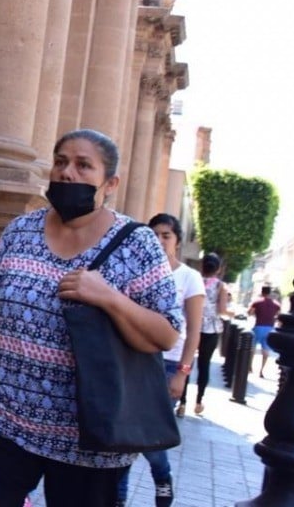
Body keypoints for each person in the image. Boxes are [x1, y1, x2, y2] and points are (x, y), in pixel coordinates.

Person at [0, 129, 181, 507]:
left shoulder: (138, 244)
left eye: (83, 165)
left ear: (110, 183)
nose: (67, 173)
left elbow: (166, 335)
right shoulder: (20, 231)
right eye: (60, 162)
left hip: (88, 437)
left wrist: (108, 297)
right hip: (2, 418)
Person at [114, 213, 203, 507]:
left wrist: (183, 372)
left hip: (168, 365)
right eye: (154, 234)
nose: (160, 240)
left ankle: (162, 476)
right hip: (135, 360)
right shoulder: (136, 271)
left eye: (166, 235)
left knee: (149, 436)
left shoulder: (189, 277)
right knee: (125, 437)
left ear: (177, 241)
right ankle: (118, 498)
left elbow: (193, 331)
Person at [189, 253, 229, 415]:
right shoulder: (221, 286)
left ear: (202, 266)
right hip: (211, 329)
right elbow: (222, 310)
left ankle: (182, 402)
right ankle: (198, 402)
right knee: (204, 365)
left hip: (192, 325)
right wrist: (231, 314)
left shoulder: (194, 280)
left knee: (186, 364)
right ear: (218, 269)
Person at [247, 285, 282, 377]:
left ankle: (250, 366)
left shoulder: (257, 302)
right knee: (266, 350)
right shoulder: (276, 305)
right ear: (270, 293)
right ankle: (261, 371)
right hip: (270, 328)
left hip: (258, 326)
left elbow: (249, 312)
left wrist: (255, 313)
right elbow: (279, 317)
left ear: (262, 292)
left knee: (252, 348)